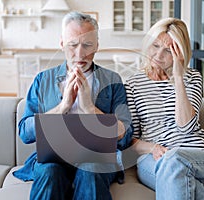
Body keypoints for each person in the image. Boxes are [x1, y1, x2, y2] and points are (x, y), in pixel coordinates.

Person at [13, 11, 132, 200]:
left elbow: (124, 134)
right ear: (62, 43)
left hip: (96, 160)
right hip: (53, 161)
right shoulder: (43, 80)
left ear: (97, 46)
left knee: (91, 169)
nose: (80, 53)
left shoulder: (112, 80)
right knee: (49, 172)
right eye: (73, 45)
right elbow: (25, 133)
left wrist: (90, 109)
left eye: (87, 45)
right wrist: (62, 107)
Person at [125, 17, 204, 200]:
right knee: (174, 170)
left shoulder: (192, 78)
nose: (158, 55)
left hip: (200, 158)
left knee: (174, 159)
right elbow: (130, 139)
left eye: (168, 51)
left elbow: (185, 127)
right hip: (153, 159)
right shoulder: (133, 83)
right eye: (155, 46)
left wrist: (178, 78)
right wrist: (152, 147)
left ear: (180, 53)